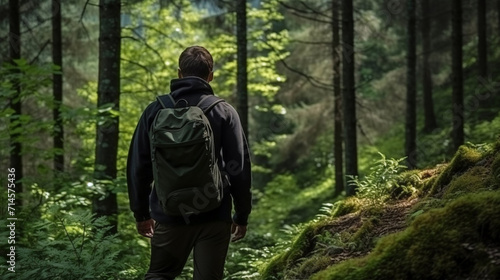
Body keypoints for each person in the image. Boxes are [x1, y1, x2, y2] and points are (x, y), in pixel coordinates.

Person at [127, 46, 252, 280]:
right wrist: (241, 215)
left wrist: (141, 214)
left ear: (179, 73)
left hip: (169, 214)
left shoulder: (155, 110)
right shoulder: (223, 111)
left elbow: (138, 166)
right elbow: (239, 168)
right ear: (210, 75)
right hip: (214, 214)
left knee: (160, 275)